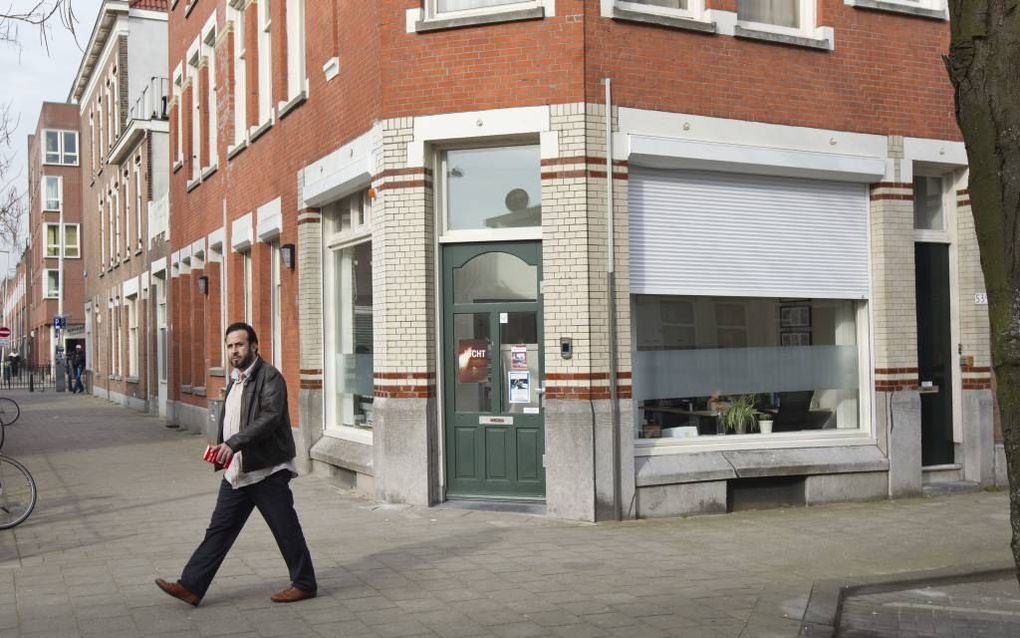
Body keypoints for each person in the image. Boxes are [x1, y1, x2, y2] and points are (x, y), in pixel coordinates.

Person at [155, 322, 316, 606]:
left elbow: (268, 419)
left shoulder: (270, 377)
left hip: (266, 470)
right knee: (219, 529)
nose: (234, 350)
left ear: (254, 346)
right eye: (230, 346)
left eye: (239, 345)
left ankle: (304, 583)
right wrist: (223, 446)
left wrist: (232, 444)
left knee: (285, 528)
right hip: (238, 472)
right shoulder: (235, 379)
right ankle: (191, 586)